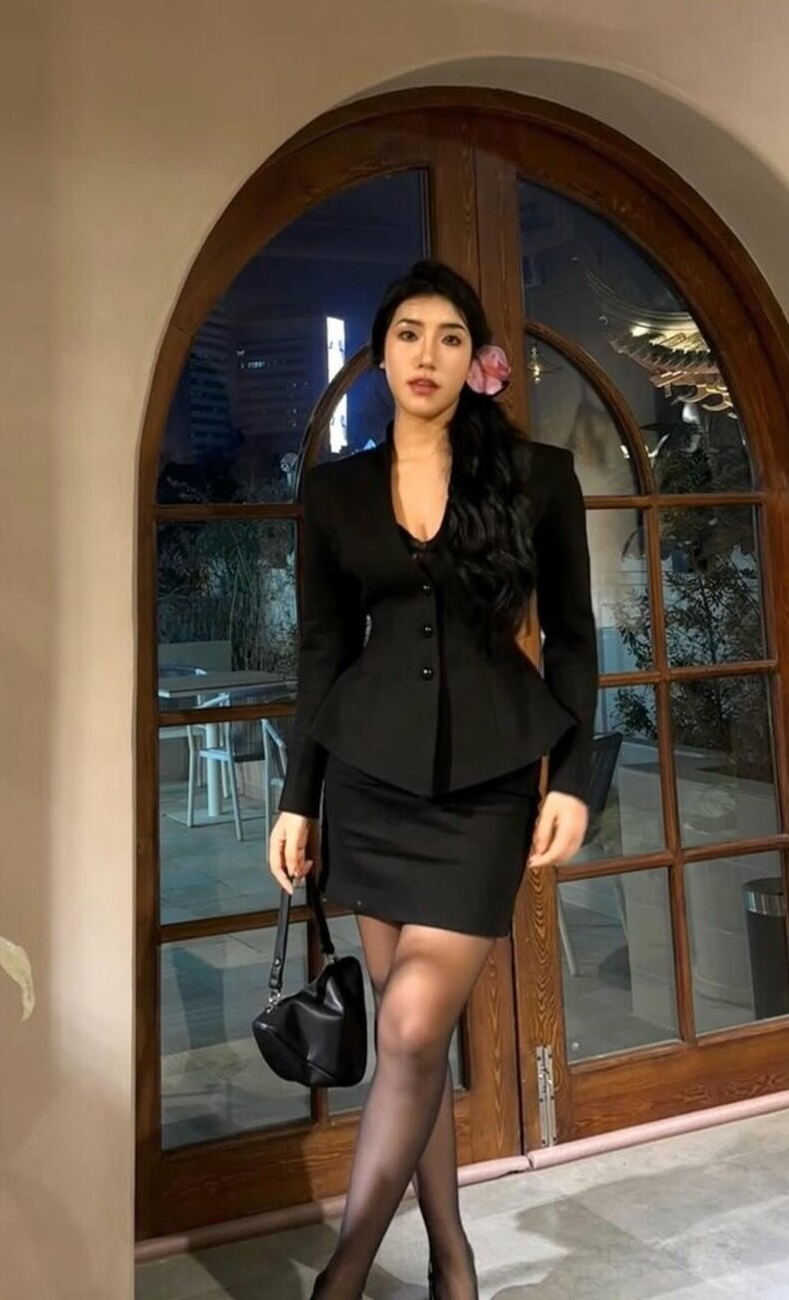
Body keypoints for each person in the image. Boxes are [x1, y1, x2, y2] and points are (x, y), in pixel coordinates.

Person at [267, 259, 599, 1300]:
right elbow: (323, 651)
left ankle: (342, 1277)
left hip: (489, 785)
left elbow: (576, 637)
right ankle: (452, 1258)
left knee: (410, 1026)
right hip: (369, 784)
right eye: (408, 334)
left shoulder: (537, 478)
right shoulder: (334, 492)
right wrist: (298, 796)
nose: (427, 354)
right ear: (381, 355)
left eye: (450, 337)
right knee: (413, 1049)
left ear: (476, 359)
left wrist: (574, 778)